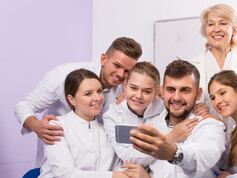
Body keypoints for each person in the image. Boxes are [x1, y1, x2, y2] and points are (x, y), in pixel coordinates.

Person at [110, 60, 226, 178]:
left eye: (185, 90)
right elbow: (133, 163)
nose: (177, 97)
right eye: (171, 90)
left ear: (198, 93)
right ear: (162, 91)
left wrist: (172, 151)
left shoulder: (209, 125)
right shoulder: (151, 124)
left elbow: (205, 154)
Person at [27, 69, 142, 178]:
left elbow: (123, 170)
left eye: (99, 91)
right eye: (88, 94)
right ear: (72, 99)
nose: (97, 98)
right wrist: (115, 177)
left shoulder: (108, 132)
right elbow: (68, 177)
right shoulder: (57, 126)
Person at [15, 37, 142, 167]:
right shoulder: (63, 76)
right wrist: (37, 126)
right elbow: (25, 105)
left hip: (102, 159)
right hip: (60, 148)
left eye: (127, 71)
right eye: (117, 65)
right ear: (104, 59)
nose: (121, 74)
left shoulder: (127, 88)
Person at [98, 62, 202, 178]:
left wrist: (202, 108)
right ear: (124, 86)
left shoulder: (165, 109)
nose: (138, 96)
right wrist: (171, 138)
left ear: (157, 92)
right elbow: (129, 158)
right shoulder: (112, 115)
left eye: (147, 91)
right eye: (133, 88)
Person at [190, 3, 237, 135]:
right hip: (205, 137)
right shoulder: (192, 66)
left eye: (223, 23)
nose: (216, 29)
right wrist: (194, 110)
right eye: (211, 24)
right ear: (205, 30)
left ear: (234, 29)